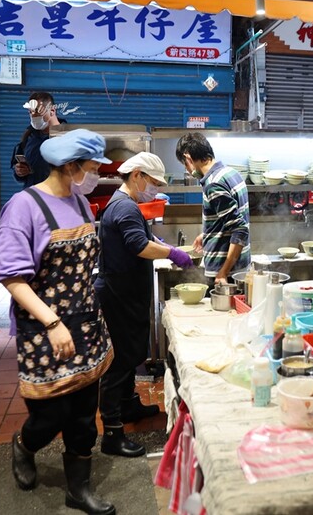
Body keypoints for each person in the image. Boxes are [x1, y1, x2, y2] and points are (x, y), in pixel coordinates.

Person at [0, 129, 116, 515]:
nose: (97, 173)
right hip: (45, 328)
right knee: (49, 415)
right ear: (71, 166)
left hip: (86, 322)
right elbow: (13, 277)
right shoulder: (23, 206)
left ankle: (77, 490)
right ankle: (24, 445)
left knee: (83, 413)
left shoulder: (80, 202)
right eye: (94, 167)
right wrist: (51, 322)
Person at [95, 152, 194, 458]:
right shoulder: (124, 206)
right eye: (152, 183)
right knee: (120, 360)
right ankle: (112, 433)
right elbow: (139, 245)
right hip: (118, 293)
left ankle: (128, 407)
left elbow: (139, 238)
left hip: (125, 291)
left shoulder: (125, 203)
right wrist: (172, 253)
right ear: (136, 175)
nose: (154, 189)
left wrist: (167, 247)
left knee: (131, 354)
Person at [175, 132, 250, 284]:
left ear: (188, 158)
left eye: (184, 164)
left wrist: (223, 272)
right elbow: (231, 219)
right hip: (240, 268)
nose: (187, 170)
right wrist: (208, 234)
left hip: (226, 274)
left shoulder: (213, 185)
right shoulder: (231, 173)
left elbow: (240, 230)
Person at [12, 91, 65, 188]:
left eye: (38, 111)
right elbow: (18, 169)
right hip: (33, 196)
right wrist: (19, 171)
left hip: (57, 198)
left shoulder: (67, 138)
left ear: (52, 111)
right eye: (30, 112)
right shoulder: (28, 137)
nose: (33, 116)